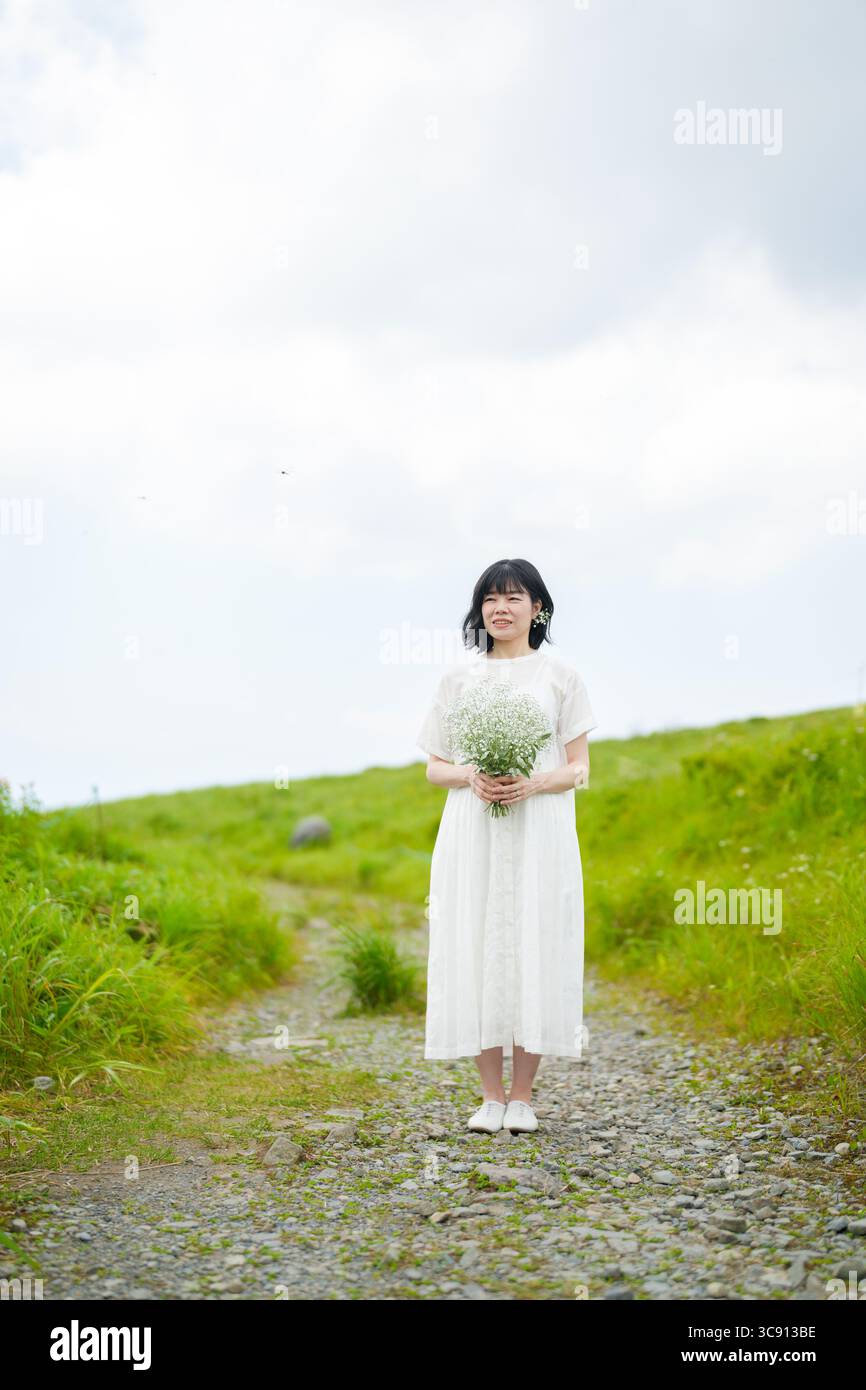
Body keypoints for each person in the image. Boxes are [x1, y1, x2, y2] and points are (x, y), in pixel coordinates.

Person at [416, 558, 597, 1135]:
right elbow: (433, 768)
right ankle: (489, 1096)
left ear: (537, 608)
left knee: (535, 942)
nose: (501, 608)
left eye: (515, 598)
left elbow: (580, 769)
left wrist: (533, 783)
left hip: (540, 829)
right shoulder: (457, 680)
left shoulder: (561, 676)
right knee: (475, 942)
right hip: (472, 832)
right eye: (491, 599)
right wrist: (471, 775)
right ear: (480, 610)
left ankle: (523, 1097)